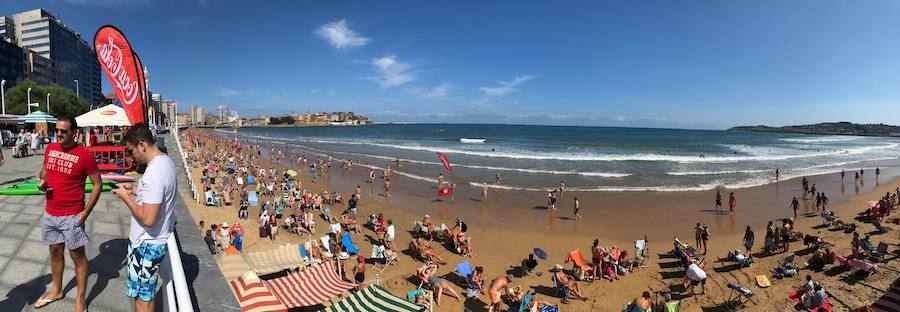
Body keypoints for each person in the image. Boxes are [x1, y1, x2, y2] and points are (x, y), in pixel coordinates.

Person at [33, 117, 103, 311]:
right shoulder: (51, 149)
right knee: (55, 252)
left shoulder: (84, 155)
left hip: (72, 215)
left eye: (64, 131)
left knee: (77, 257)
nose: (59, 134)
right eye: (57, 130)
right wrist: (42, 181)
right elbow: (45, 170)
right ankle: (56, 290)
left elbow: (98, 184)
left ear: (74, 133)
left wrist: (86, 212)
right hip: (50, 212)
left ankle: (80, 300)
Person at [111, 124, 178, 312]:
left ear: (142, 145)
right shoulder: (166, 162)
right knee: (145, 296)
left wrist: (125, 198)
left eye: (131, 150)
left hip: (146, 244)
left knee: (142, 301)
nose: (131, 156)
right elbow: (159, 194)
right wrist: (136, 190)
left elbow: (148, 219)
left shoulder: (154, 173)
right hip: (154, 240)